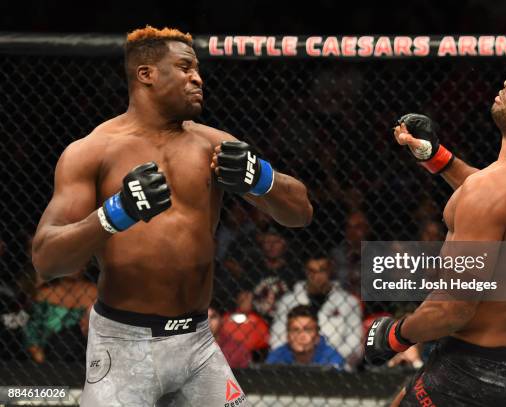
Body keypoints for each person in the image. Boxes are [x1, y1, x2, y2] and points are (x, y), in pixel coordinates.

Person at [31, 26, 312, 407]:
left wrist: (261, 177)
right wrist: (115, 214)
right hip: (122, 344)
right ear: (146, 74)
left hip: (197, 344)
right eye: (184, 67)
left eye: (197, 69)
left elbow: (300, 212)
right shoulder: (92, 152)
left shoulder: (211, 145)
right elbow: (47, 259)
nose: (197, 77)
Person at [365, 55, 506, 406]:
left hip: (472, 369)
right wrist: (436, 157)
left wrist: (396, 335)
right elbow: (494, 201)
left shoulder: (488, 192)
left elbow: (453, 309)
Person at [270, 254, 362, 366]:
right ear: (305, 271)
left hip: (336, 365)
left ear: (330, 271)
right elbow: (276, 338)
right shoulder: (287, 301)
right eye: (312, 271)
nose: (317, 276)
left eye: (322, 271)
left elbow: (354, 344)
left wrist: (328, 359)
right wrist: (299, 357)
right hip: (290, 362)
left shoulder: (349, 302)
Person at [266, 305, 344, 369]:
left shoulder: (332, 358)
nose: (302, 336)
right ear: (288, 336)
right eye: (295, 330)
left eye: (308, 330)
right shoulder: (276, 356)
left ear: (317, 336)